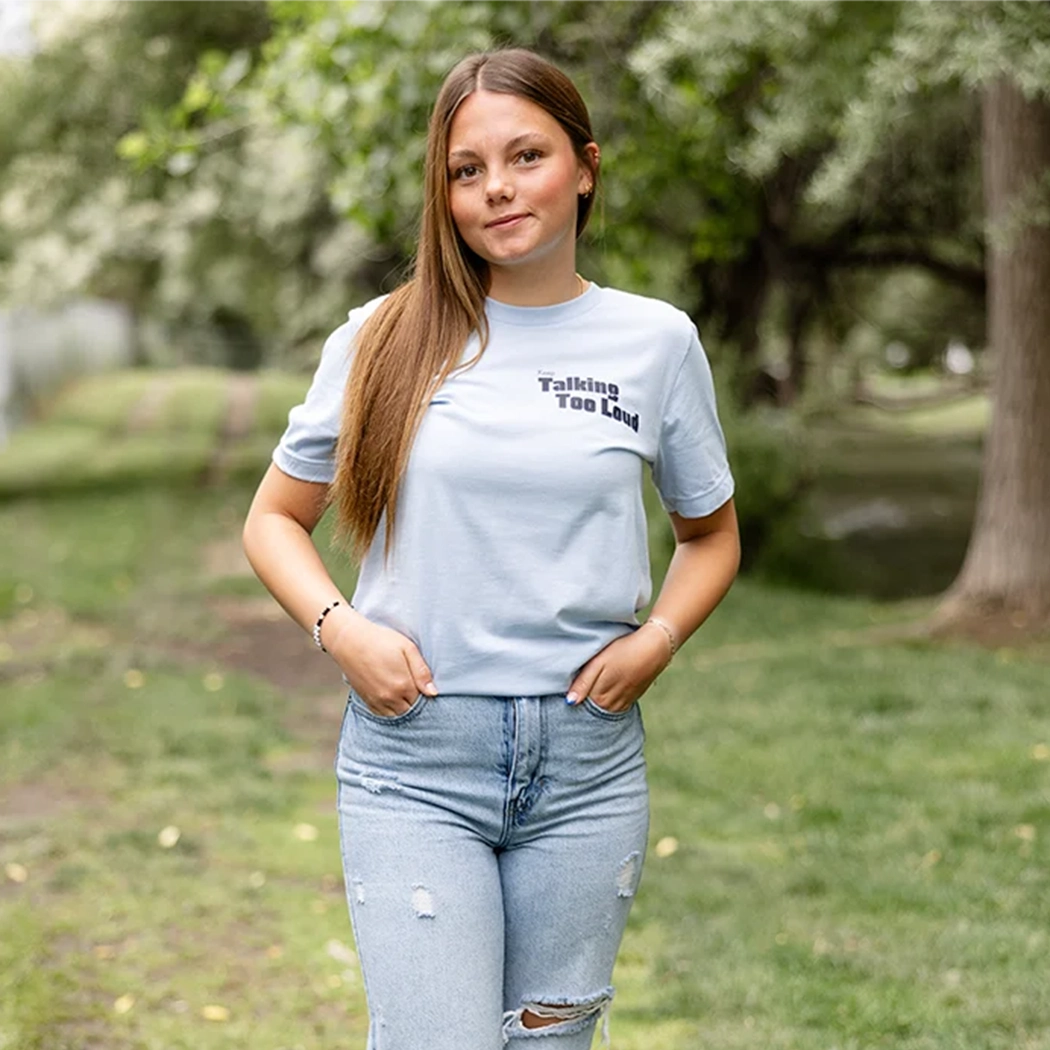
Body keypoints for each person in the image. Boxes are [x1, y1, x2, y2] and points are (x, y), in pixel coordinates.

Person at [242, 46, 740, 1050]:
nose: (497, 190)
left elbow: (712, 536)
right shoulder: (381, 338)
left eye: (526, 157)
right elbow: (272, 521)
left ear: (586, 166)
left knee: (548, 1043)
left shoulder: (655, 343)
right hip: (416, 757)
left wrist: (657, 642)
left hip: (587, 764)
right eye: (467, 170)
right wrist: (342, 632)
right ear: (445, 189)